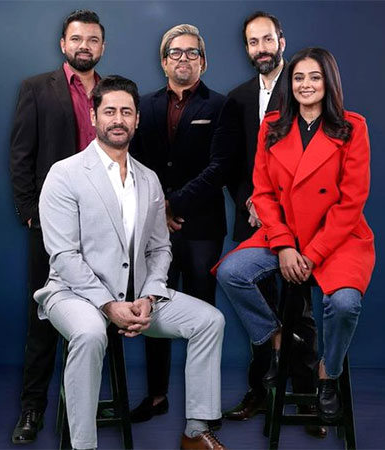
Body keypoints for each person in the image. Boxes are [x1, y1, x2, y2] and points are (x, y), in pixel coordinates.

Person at [34, 76, 226, 450]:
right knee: (90, 334)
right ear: (94, 117)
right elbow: (64, 256)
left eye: (126, 112)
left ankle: (195, 432)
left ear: (137, 119)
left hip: (137, 297)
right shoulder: (65, 174)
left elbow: (159, 249)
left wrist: (150, 296)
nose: (118, 119)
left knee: (209, 321)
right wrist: (109, 304)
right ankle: (83, 446)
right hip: (73, 295)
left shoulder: (148, 180)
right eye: (109, 111)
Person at [216, 47, 375, 423]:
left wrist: (313, 253)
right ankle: (279, 340)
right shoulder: (273, 126)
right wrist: (285, 244)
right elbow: (263, 193)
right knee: (231, 272)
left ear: (329, 82)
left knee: (345, 304)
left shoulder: (352, 127)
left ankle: (328, 374)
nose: (305, 85)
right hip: (285, 234)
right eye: (299, 77)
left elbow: (351, 202)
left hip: (337, 239)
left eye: (314, 77)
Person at [129, 24, 239, 425]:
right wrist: (157, 208)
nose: (184, 59)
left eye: (192, 53)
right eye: (175, 52)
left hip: (202, 227)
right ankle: (157, 395)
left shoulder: (222, 106)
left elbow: (220, 167)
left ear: (203, 62)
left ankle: (201, 406)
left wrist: (172, 204)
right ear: (163, 61)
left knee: (203, 314)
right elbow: (134, 164)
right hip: (153, 225)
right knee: (153, 303)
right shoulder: (144, 105)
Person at [224, 12, 324, 437]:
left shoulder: (302, 87)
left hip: (298, 220)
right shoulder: (238, 98)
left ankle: (306, 396)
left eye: (267, 39)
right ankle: (261, 393)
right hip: (251, 217)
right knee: (257, 306)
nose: (261, 48)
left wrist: (272, 207)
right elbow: (232, 162)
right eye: (253, 42)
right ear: (247, 48)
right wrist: (250, 201)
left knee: (299, 308)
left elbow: (313, 160)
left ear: (281, 41)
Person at [9, 9, 106, 444]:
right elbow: (21, 155)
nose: (84, 46)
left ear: (102, 46)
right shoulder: (36, 89)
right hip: (52, 223)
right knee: (44, 317)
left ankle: (82, 410)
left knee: (98, 314)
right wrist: (30, 211)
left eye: (92, 39)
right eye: (77, 39)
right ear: (63, 44)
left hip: (103, 224)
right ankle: (33, 409)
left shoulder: (114, 91)